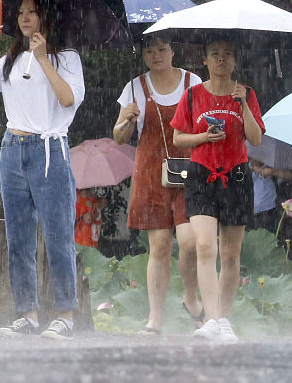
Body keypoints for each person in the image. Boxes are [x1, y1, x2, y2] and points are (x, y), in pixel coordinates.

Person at [0, 0, 85, 339]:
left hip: (50, 150)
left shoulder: (66, 58)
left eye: (32, 12)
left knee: (58, 235)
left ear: (46, 16)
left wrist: (43, 57)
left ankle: (65, 313)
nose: (24, 18)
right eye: (20, 13)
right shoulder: (11, 58)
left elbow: (67, 99)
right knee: (18, 237)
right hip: (13, 149)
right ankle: (28, 314)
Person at [170, 37, 264, 344]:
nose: (221, 59)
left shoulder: (246, 93)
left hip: (236, 176)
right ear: (205, 61)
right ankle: (210, 317)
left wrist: (242, 105)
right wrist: (203, 138)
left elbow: (256, 138)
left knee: (232, 254)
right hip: (201, 176)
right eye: (215, 54)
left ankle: (223, 317)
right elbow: (178, 139)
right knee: (205, 245)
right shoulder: (192, 95)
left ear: (235, 60)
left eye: (227, 54)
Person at [113, 35, 203, 334]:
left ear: (173, 50)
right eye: (149, 51)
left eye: (162, 49)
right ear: (143, 56)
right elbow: (119, 136)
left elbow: (206, 126)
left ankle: (191, 298)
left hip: (190, 172)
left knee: (190, 242)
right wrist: (126, 120)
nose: (156, 55)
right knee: (160, 246)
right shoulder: (134, 88)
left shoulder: (194, 83)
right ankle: (154, 319)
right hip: (151, 173)